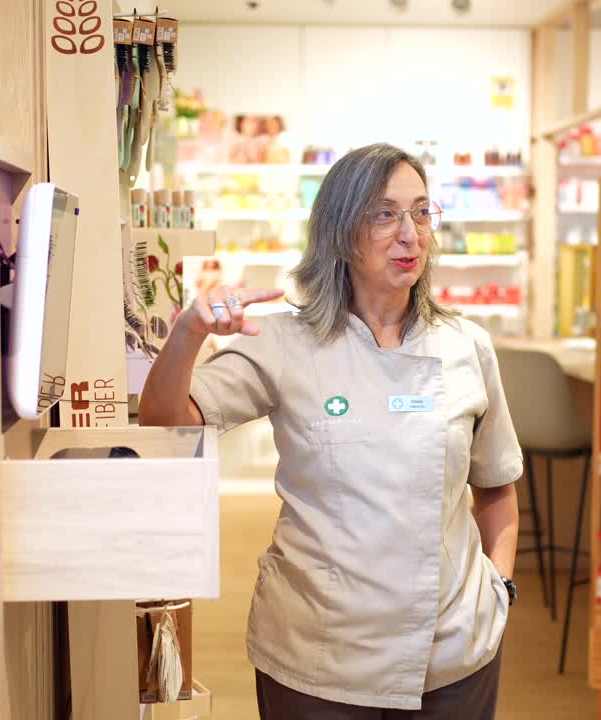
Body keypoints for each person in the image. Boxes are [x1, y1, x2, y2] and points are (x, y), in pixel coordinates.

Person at [139, 143, 523, 718]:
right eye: (385, 214)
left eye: (421, 212)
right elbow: (164, 422)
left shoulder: (466, 346)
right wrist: (189, 332)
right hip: (318, 656)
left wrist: (500, 588)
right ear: (341, 233)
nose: (410, 234)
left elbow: (496, 487)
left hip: (452, 654)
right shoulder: (283, 343)